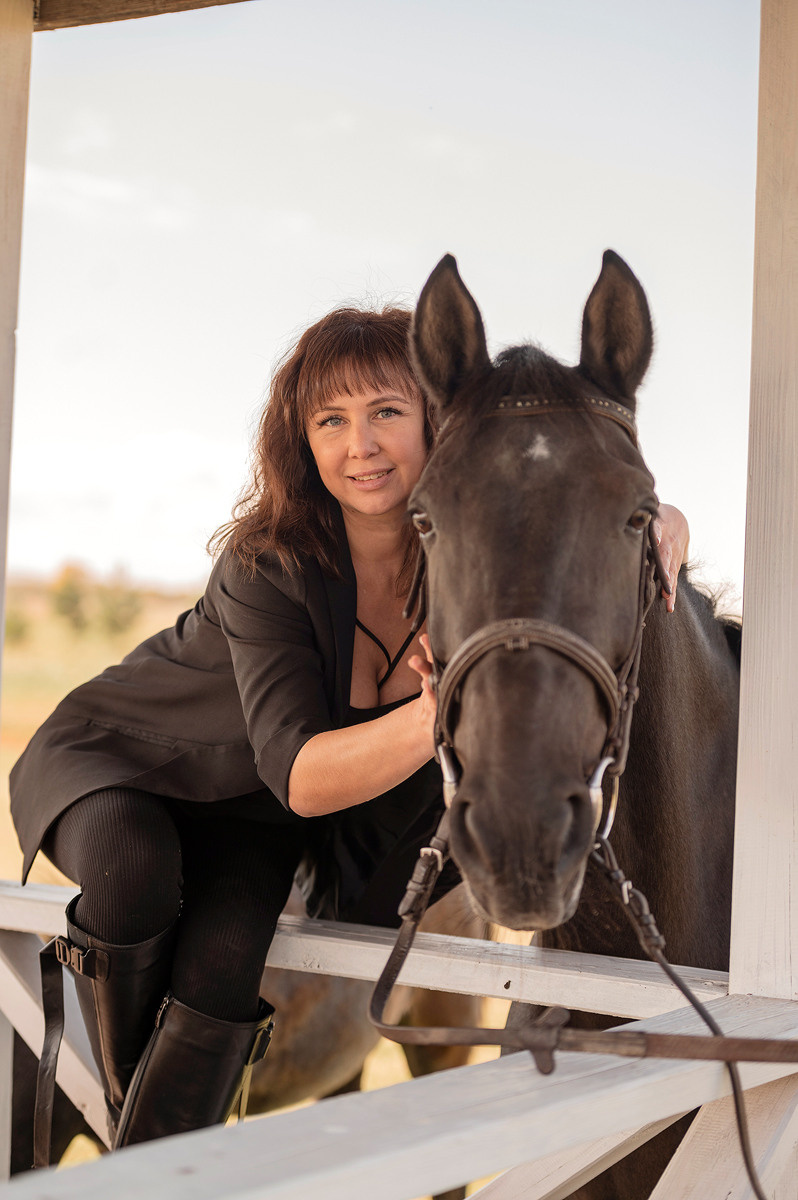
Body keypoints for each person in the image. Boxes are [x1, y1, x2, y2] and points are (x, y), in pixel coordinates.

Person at [10, 305, 690, 1154]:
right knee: (130, 870)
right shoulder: (269, 562)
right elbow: (299, 771)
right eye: (331, 420)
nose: (359, 444)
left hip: (252, 817)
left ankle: (151, 1170)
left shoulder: (457, 557)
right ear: (303, 440)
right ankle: (130, 1142)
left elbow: (567, 512)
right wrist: (443, 710)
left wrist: (659, 518)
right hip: (131, 763)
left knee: (227, 965)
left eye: (386, 413)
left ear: (438, 421)